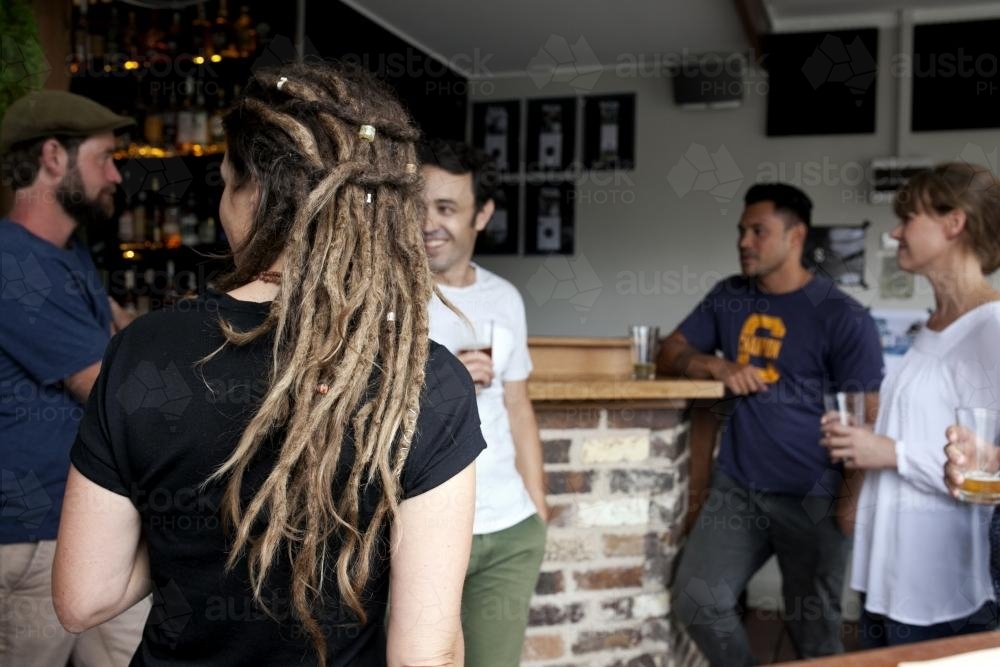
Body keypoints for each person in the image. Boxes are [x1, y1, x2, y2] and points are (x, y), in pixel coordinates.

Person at [51, 62, 485, 666]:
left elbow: (83, 598)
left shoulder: (144, 350)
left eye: (228, 181)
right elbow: (424, 654)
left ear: (255, 191)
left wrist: (193, 526)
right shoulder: (424, 382)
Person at [661, 183, 884, 665]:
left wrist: (849, 504)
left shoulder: (844, 315)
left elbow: (867, 415)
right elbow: (670, 350)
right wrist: (715, 366)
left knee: (815, 636)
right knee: (697, 600)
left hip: (815, 496)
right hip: (738, 486)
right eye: (742, 231)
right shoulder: (728, 296)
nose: (744, 241)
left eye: (758, 231)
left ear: (795, 235)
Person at [0, 90, 147, 666]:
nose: (115, 174)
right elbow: (110, 385)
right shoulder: (15, 263)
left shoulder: (64, 254)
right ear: (54, 156)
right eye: (104, 157)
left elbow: (126, 333)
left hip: (84, 524)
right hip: (31, 537)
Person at [826, 163, 1000, 647]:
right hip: (887, 582)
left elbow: (988, 477)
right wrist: (862, 449)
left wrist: (887, 450)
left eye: (909, 217)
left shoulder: (992, 329)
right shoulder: (935, 323)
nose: (894, 231)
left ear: (954, 222)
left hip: (940, 596)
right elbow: (923, 430)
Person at [418, 139, 548, 667]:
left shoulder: (504, 298)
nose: (428, 223)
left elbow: (518, 405)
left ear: (483, 214)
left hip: (508, 531)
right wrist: (442, 376)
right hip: (419, 530)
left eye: (446, 209)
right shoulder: (387, 295)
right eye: (418, 206)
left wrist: (538, 508)